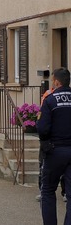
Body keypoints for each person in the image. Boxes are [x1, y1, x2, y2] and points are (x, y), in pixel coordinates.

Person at [37, 68, 71, 225]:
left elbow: (43, 128)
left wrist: (45, 143)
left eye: (52, 81)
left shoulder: (50, 100)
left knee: (48, 190)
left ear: (57, 82)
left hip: (55, 151)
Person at [37, 86, 66, 203]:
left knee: (46, 168)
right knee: (43, 167)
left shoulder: (50, 97)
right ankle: (43, 190)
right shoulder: (48, 94)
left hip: (53, 142)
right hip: (57, 141)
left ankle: (57, 191)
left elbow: (42, 123)